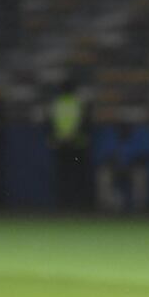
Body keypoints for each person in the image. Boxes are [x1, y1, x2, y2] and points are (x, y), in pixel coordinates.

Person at [49, 79, 92, 209]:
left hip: (62, 144)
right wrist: (72, 136)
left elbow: (51, 124)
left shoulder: (56, 103)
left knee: (63, 175)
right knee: (76, 175)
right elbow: (85, 122)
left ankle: (64, 203)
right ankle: (77, 203)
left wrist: (58, 138)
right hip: (77, 144)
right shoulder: (79, 103)